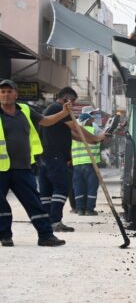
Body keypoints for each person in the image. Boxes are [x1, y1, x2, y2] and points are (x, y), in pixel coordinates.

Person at [0, 79, 68, 246]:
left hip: (22, 167)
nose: (6, 94)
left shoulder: (25, 110)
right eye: (2, 92)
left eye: (9, 91)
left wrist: (63, 113)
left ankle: (45, 236)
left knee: (34, 202)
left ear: (16, 94)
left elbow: (46, 121)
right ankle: (5, 236)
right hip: (1, 168)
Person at [37, 88, 109, 233]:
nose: (74, 105)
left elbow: (71, 133)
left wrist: (92, 141)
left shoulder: (49, 110)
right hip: (55, 156)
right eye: (73, 102)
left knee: (47, 191)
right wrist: (96, 138)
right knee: (62, 187)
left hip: (45, 156)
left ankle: (47, 222)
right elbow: (76, 128)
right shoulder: (59, 109)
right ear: (66, 99)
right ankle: (55, 221)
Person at [71, 112, 103, 216]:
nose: (93, 120)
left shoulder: (75, 131)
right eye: (91, 119)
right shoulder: (94, 130)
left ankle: (80, 209)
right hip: (90, 163)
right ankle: (89, 210)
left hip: (77, 164)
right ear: (88, 120)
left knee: (78, 187)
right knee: (91, 187)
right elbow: (102, 139)